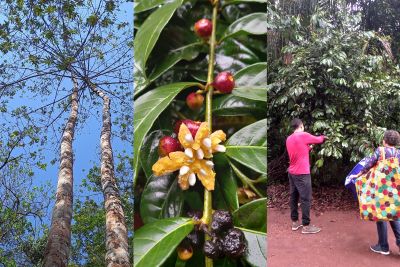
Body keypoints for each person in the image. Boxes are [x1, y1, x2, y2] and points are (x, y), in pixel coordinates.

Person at [348, 130, 400, 255]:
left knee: (380, 214)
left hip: (380, 189)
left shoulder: (380, 151)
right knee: (394, 214)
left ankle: (383, 246)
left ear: (384, 140)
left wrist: (357, 175)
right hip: (394, 190)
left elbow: (368, 165)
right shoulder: (398, 153)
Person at [286, 118, 327, 234]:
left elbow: (297, 152)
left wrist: (309, 148)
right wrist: (323, 137)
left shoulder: (289, 139)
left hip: (292, 172)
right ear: (301, 126)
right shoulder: (303, 135)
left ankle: (294, 222)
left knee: (293, 197)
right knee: (306, 198)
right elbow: (318, 139)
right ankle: (306, 225)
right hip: (302, 173)